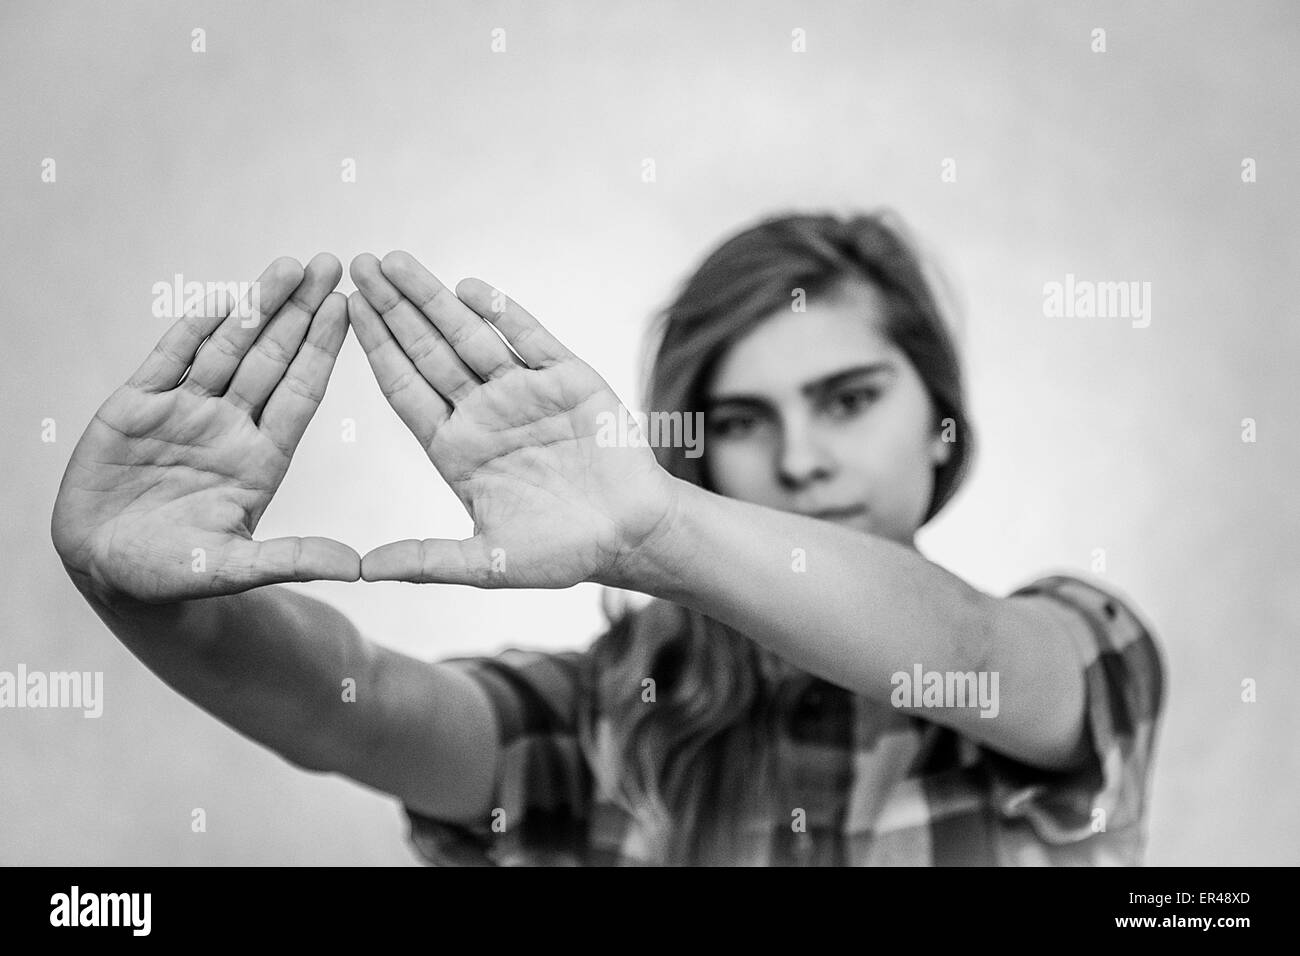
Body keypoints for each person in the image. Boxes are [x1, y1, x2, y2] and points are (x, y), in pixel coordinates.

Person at [50, 210, 1165, 866]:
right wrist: (155, 599)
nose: (801, 459)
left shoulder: (1080, 643)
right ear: (700, 448)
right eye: (739, 420)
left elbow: (966, 651)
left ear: (937, 421)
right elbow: (350, 701)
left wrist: (656, 529)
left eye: (848, 398)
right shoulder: (604, 718)